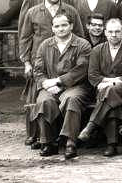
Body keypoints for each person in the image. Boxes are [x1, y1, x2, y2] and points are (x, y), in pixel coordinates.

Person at [30, 14, 92, 159]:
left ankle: (70, 142)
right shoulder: (45, 45)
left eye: (64, 25)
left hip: (75, 86)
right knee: (44, 101)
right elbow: (38, 70)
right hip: (50, 87)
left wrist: (59, 82)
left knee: (71, 99)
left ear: (71, 26)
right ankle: (48, 142)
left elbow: (82, 70)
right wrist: (46, 83)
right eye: (57, 26)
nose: (61, 29)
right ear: (52, 28)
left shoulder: (83, 44)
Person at [77, 18, 122, 157]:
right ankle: (112, 145)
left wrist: (107, 83)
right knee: (112, 102)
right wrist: (111, 83)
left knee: (110, 91)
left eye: (117, 31)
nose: (114, 35)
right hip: (102, 91)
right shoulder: (97, 50)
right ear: (105, 33)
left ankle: (91, 125)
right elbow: (93, 75)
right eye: (110, 31)